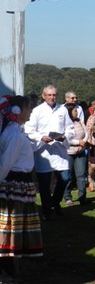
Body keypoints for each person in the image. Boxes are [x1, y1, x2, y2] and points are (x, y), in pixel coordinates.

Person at [0, 96, 43, 281]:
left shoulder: (16, 131)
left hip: (19, 187)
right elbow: (5, 164)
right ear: (17, 111)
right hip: (15, 188)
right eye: (28, 108)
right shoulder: (14, 134)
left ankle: (10, 267)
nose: (30, 111)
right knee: (10, 230)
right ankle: (7, 269)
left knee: (13, 230)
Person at [24, 85, 73, 219]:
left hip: (59, 149)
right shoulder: (37, 111)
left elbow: (70, 128)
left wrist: (65, 136)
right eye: (49, 95)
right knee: (44, 184)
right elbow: (29, 129)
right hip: (43, 150)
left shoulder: (62, 109)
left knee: (65, 178)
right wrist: (41, 137)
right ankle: (47, 210)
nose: (52, 97)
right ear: (44, 96)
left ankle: (55, 202)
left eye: (54, 95)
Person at [63, 103, 93, 205]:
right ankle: (67, 197)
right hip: (68, 152)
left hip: (80, 152)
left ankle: (82, 197)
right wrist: (77, 142)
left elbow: (86, 132)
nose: (77, 112)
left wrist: (83, 143)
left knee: (81, 175)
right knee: (68, 175)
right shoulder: (64, 123)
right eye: (75, 110)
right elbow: (66, 139)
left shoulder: (79, 121)